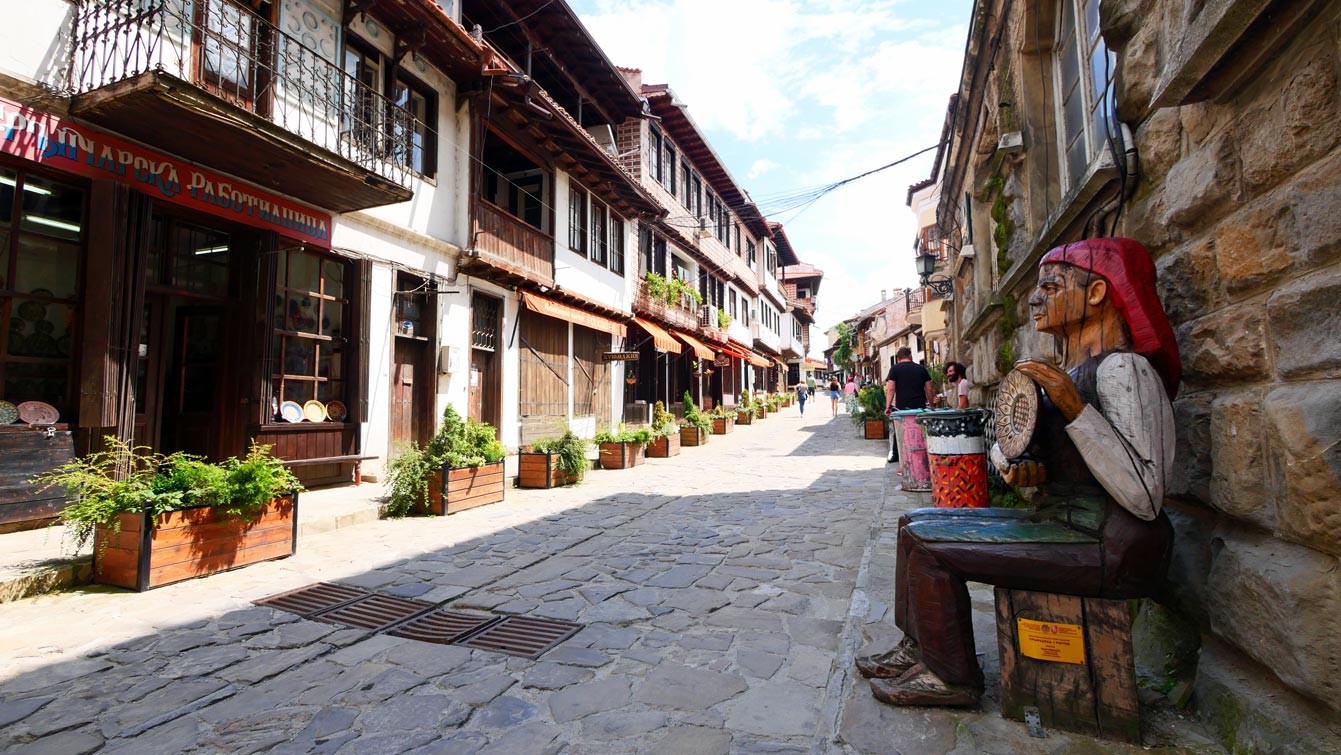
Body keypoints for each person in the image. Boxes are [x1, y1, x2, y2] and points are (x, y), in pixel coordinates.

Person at [857, 237, 1180, 708]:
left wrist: (1073, 408)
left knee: (930, 545)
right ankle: (922, 647)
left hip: (1115, 542)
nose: (1035, 298)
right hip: (1068, 524)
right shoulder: (1072, 369)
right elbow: (1062, 461)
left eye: (1051, 286)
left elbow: (1146, 496)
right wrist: (1023, 468)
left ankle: (951, 676)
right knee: (913, 524)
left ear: (1096, 294)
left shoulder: (1123, 370)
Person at [883, 347, 933, 464]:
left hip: (902, 406)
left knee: (900, 430)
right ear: (910, 356)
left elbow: (890, 389)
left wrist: (888, 406)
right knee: (920, 429)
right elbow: (929, 389)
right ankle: (922, 453)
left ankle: (897, 455)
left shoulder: (895, 369)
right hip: (920, 406)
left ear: (898, 359)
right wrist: (931, 405)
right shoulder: (922, 369)